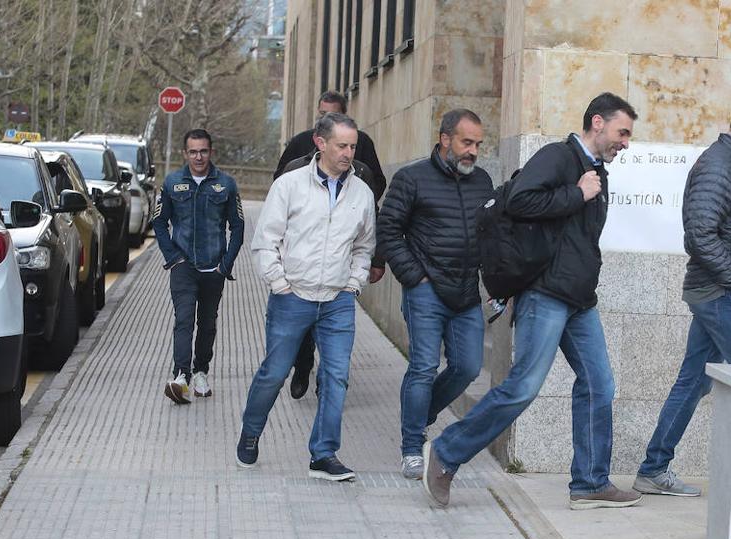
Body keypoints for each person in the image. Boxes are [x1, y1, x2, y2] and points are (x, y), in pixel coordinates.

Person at [422, 92, 640, 511]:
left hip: (579, 299)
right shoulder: (559, 158)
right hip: (546, 294)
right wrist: (576, 194)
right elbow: (521, 200)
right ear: (597, 122)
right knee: (522, 387)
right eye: (622, 132)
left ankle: (591, 483)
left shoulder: (595, 170)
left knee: (599, 385)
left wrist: (582, 194)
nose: (625, 142)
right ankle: (448, 451)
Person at [634, 92, 731, 497]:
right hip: (721, 291)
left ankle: (653, 468)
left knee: (692, 381)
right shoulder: (720, 165)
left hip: (717, 289)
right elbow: (699, 234)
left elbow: (726, 234)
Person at [237, 112, 378, 481]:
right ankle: (251, 432)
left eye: (353, 146)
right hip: (292, 298)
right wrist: (280, 283)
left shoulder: (361, 192)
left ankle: (324, 454)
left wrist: (353, 283)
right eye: (342, 145)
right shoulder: (289, 186)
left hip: (337, 301)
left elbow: (365, 246)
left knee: (336, 377)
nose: (349, 153)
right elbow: (265, 242)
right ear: (321, 143)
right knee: (275, 372)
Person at [376, 109, 494, 480]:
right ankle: (412, 447)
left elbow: (492, 234)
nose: (473, 151)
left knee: (468, 367)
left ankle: (420, 411)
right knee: (424, 367)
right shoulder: (411, 178)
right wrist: (415, 277)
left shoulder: (483, 181)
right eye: (466, 142)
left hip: (466, 293)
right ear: (445, 139)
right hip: (426, 291)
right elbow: (388, 230)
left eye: (477, 143)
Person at [274, 90, 387, 400]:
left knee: (335, 324)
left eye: (332, 114)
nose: (346, 151)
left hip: (343, 252)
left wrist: (376, 259)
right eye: (322, 114)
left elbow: (373, 203)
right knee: (303, 323)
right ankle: (302, 363)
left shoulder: (361, 154)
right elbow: (278, 191)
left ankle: (330, 376)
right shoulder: (299, 146)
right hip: (304, 257)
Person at [152, 128, 244, 404]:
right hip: (183, 266)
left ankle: (201, 371)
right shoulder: (172, 183)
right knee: (183, 320)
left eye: (203, 151)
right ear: (185, 153)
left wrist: (225, 264)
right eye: (193, 151)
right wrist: (173, 257)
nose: (198, 156)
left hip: (213, 268)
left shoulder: (225, 184)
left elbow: (238, 226)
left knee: (207, 323)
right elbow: (158, 222)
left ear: (210, 152)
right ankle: (181, 376)